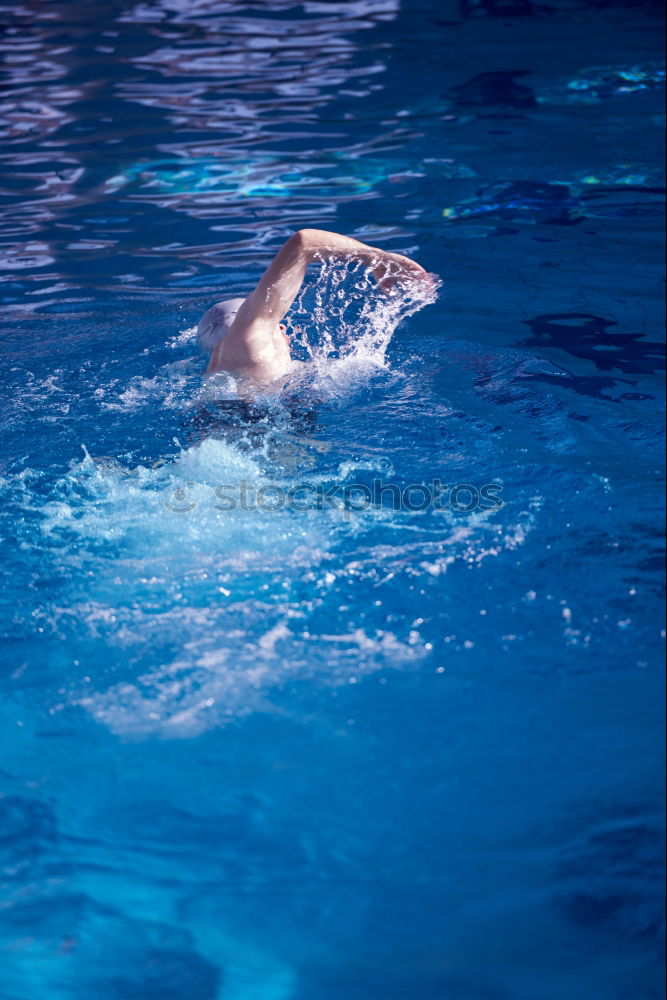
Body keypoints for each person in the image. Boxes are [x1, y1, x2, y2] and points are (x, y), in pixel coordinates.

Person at [197, 228, 433, 383]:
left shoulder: (224, 368)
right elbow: (304, 243)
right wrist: (380, 258)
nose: (281, 328)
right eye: (274, 323)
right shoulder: (250, 342)